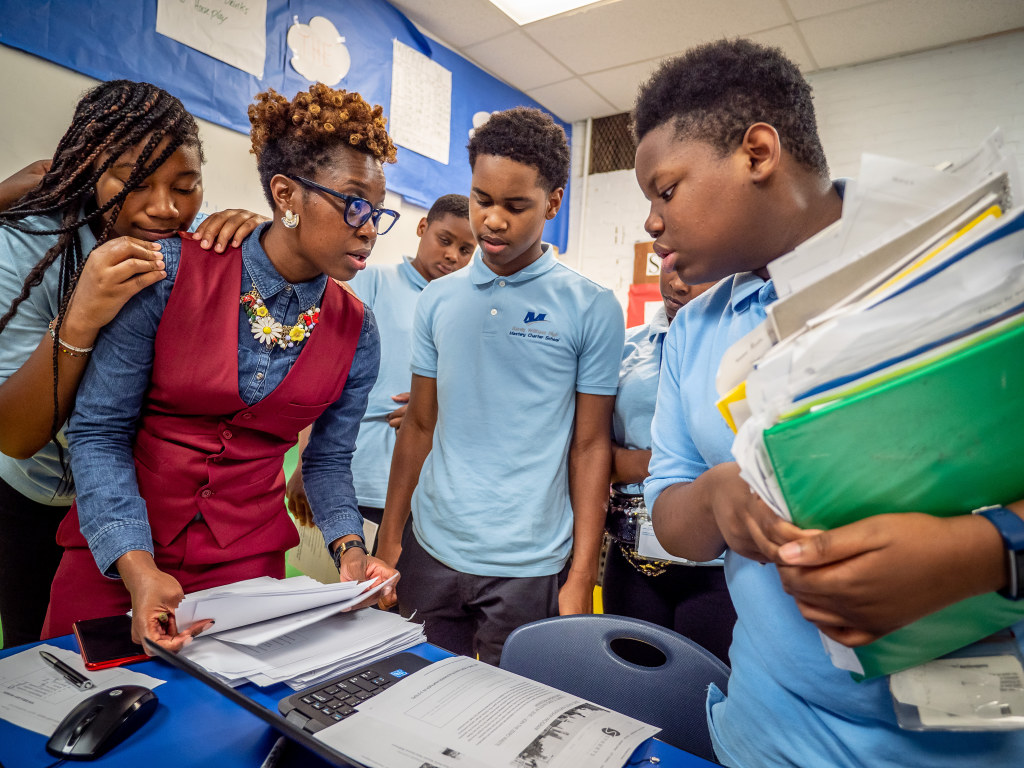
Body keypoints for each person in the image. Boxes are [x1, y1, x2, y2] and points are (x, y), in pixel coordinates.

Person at [636, 39, 1024, 766]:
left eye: (665, 190)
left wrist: (985, 552)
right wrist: (716, 498)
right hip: (765, 733)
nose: (652, 222)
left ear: (757, 152)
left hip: (967, 744)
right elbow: (669, 516)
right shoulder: (695, 330)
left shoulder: (969, 262)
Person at [42, 83, 402, 651]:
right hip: (119, 560)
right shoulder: (165, 272)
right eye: (354, 203)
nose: (368, 227)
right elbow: (100, 434)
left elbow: (328, 461)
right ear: (287, 194)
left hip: (248, 576)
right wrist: (137, 570)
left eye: (379, 212)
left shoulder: (358, 331)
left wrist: (352, 554)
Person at [0, 80, 265, 648]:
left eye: (186, 186)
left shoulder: (191, 241)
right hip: (37, 497)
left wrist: (254, 242)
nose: (165, 208)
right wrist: (78, 319)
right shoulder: (31, 245)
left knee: (139, 654)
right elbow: (16, 436)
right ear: (90, 170)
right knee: (38, 655)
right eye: (134, 182)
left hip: (135, 507)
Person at [376, 107, 625, 665]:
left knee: (504, 724)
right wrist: (391, 535)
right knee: (416, 703)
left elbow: (590, 447)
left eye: (516, 206)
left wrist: (582, 571)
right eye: (481, 199)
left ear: (553, 203)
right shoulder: (437, 300)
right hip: (431, 546)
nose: (492, 221)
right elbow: (419, 423)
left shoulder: (592, 307)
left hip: (529, 562)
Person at [285, 193, 475, 545]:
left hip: (428, 488)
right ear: (422, 228)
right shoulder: (371, 282)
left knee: (396, 598)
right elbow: (320, 375)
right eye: (445, 241)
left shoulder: (469, 310)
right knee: (344, 592)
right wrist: (305, 462)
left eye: (466, 250)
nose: (452, 255)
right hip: (357, 478)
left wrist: (433, 413)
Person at [602, 268, 736, 664]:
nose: (678, 284)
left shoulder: (742, 350)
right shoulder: (627, 348)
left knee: (703, 685)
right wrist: (670, 468)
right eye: (670, 267)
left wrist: (638, 463)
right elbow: (593, 453)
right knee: (628, 684)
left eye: (697, 274)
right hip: (632, 556)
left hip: (716, 563)